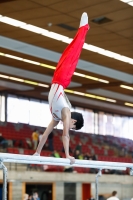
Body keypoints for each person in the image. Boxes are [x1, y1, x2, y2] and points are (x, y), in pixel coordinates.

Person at [33, 12, 90, 164]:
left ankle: (83, 29)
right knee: (74, 52)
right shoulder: (66, 113)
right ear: (73, 122)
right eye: (72, 127)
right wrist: (68, 155)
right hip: (63, 79)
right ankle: (84, 28)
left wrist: (37, 153)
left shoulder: (56, 118)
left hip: (56, 79)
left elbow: (45, 134)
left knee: (68, 52)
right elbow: (65, 136)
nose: (69, 128)